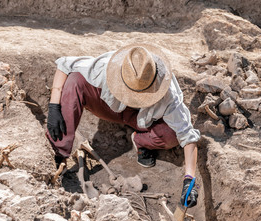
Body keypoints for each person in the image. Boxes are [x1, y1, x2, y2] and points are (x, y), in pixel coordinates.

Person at [46, 43, 200, 208]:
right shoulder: (106, 67)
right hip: (108, 108)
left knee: (172, 135)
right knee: (76, 80)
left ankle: (141, 141)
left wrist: (189, 180)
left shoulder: (168, 93)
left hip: (144, 120)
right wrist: (54, 106)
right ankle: (58, 157)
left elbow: (187, 134)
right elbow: (64, 65)